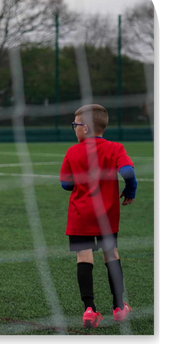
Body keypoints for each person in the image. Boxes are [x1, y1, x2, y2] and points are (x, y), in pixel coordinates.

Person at [60, 104, 136, 328]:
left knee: (84, 258)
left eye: (75, 125)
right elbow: (129, 173)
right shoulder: (116, 148)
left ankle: (89, 310)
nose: (74, 129)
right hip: (107, 215)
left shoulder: (72, 151)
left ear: (85, 128)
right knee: (111, 255)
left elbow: (65, 184)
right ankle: (119, 308)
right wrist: (130, 190)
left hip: (80, 214)